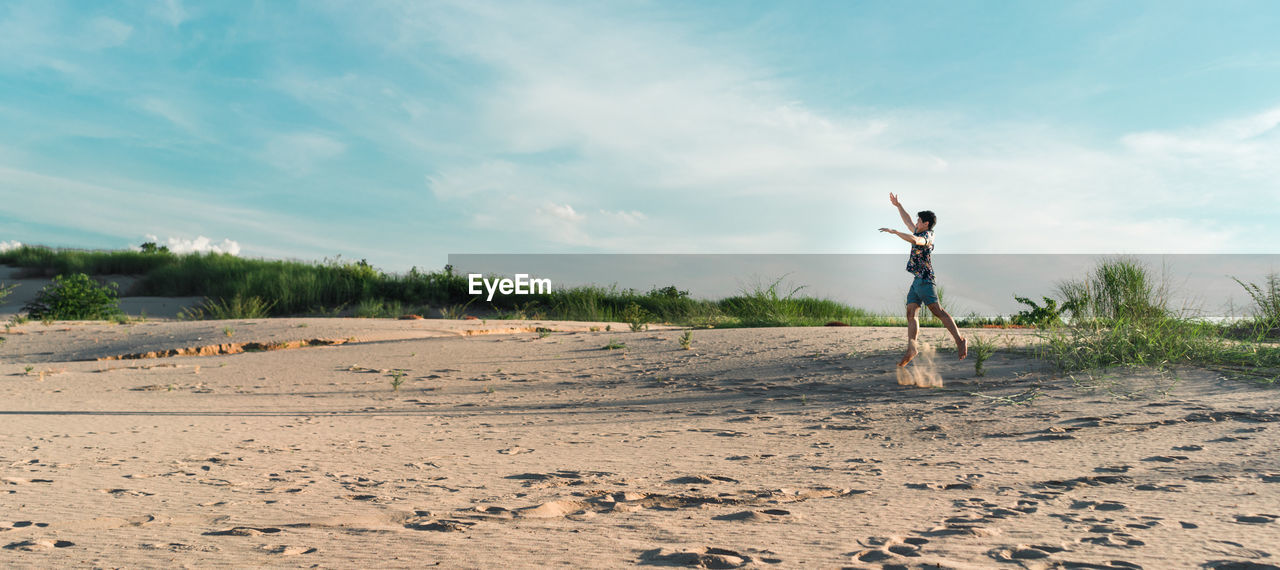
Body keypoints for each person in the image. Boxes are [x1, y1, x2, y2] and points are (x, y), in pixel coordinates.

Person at [878, 193, 966, 367]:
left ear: (926, 223)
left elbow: (915, 239)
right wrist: (898, 205)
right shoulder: (919, 230)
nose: (915, 224)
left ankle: (960, 339)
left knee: (937, 311)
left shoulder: (927, 236)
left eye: (919, 221)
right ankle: (912, 348)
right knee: (911, 312)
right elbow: (908, 221)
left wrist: (896, 233)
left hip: (925, 280)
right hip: (916, 281)